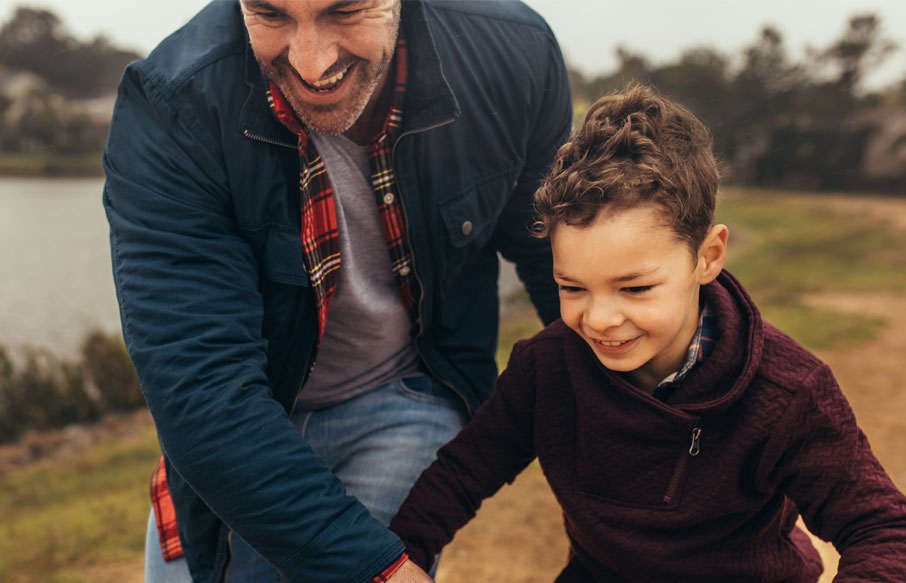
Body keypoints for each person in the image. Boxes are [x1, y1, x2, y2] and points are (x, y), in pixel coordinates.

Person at [102, 0, 571, 581]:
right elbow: (200, 382)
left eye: (345, 11)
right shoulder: (169, 107)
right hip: (245, 414)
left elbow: (557, 262)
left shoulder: (514, 53)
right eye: (270, 15)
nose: (310, 61)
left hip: (407, 393)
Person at [388, 85, 906, 582]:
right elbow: (461, 474)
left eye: (635, 289)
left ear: (708, 256)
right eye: (572, 288)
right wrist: (396, 561)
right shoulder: (545, 367)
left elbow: (889, 533)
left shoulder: (789, 392)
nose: (598, 319)